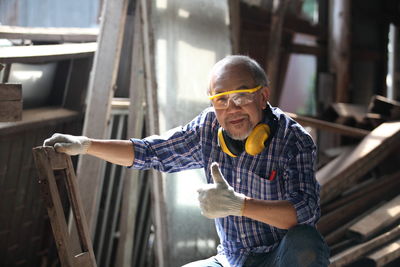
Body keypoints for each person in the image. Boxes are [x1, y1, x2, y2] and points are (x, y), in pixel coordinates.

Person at [44, 55, 330, 267]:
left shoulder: (293, 139)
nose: (232, 109)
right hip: (231, 259)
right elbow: (151, 152)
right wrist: (87, 145)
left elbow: (305, 211)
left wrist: (239, 205)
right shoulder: (208, 129)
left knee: (305, 243)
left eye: (241, 97)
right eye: (221, 99)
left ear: (263, 96)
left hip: (279, 257)